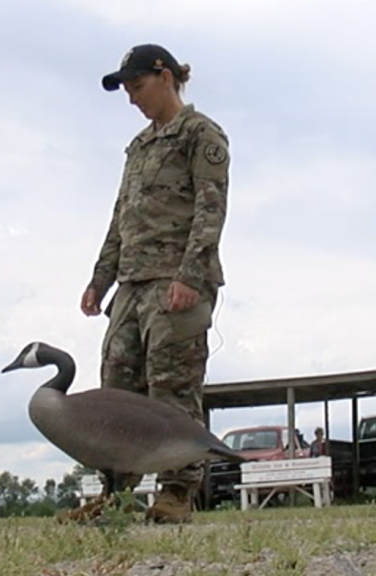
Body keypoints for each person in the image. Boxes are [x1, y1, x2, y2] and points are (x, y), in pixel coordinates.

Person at [80, 44, 230, 523]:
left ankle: (177, 492)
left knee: (173, 388)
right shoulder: (140, 146)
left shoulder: (200, 134)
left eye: (138, 86)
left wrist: (190, 276)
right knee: (117, 392)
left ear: (165, 77)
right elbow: (121, 217)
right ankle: (116, 493)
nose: (132, 99)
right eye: (127, 91)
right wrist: (100, 279)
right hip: (131, 286)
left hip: (176, 284)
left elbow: (211, 210)